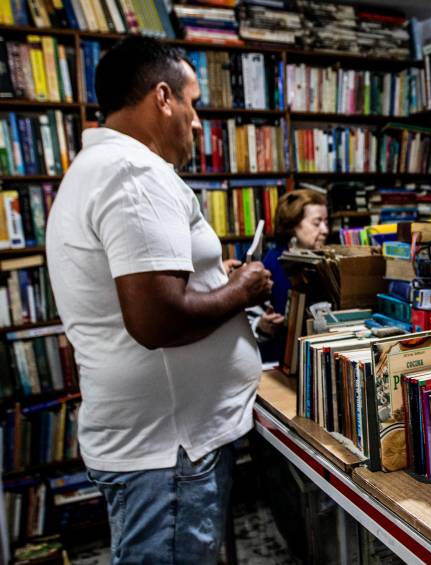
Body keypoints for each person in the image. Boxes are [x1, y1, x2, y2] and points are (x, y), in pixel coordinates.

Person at [45, 36, 273, 564]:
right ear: (163, 97)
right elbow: (157, 321)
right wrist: (240, 290)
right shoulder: (135, 173)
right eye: (193, 104)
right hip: (168, 451)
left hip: (161, 446)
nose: (198, 123)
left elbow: (147, 288)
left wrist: (215, 281)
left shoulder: (101, 167)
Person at [255, 189, 329, 363]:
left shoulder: (323, 261)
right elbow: (254, 322)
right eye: (317, 223)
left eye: (326, 222)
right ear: (293, 226)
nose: (325, 230)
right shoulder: (271, 264)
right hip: (279, 362)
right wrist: (263, 324)